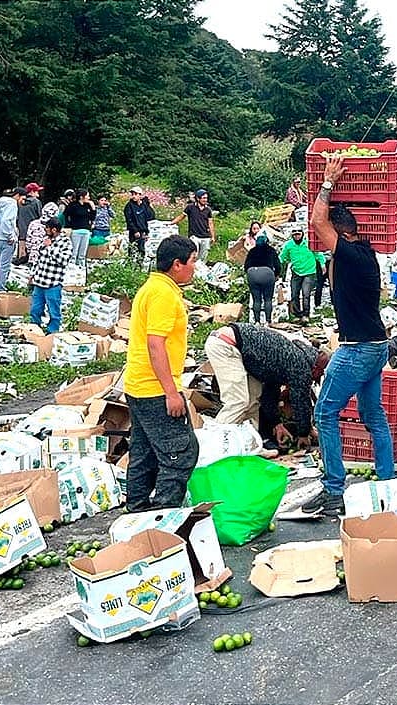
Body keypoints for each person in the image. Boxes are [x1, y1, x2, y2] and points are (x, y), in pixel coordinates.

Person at [305, 156, 393, 515]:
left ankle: (333, 489)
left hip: (358, 349)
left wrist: (326, 183)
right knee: (374, 417)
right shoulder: (365, 252)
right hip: (379, 345)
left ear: (340, 234)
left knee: (325, 412)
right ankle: (387, 486)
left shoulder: (351, 255)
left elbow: (317, 220)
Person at [124, 235, 199, 512]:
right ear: (177, 264)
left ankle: (137, 511)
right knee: (181, 454)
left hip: (139, 385)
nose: (195, 267)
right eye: (192, 261)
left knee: (144, 453)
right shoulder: (163, 294)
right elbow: (155, 344)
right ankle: (163, 519)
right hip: (155, 389)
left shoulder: (153, 287)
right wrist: (171, 392)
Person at [204, 324, 329, 454]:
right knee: (238, 401)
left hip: (241, 350)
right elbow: (300, 401)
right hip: (226, 345)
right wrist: (303, 433)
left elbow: (269, 394)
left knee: (253, 400)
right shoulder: (301, 366)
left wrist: (277, 424)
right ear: (316, 369)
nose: (313, 381)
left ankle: (252, 446)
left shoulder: (292, 360)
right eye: (318, 376)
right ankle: (215, 446)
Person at [28, 216, 71, 333]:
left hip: (53, 283)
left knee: (54, 312)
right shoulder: (46, 239)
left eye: (47, 229)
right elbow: (39, 259)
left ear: (54, 230)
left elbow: (63, 261)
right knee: (35, 310)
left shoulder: (65, 242)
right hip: (39, 281)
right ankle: (34, 331)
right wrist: (32, 274)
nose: (45, 232)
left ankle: (52, 333)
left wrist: (50, 248)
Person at [279, 226, 324, 323]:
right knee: (294, 293)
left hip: (309, 272)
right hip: (296, 272)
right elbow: (283, 257)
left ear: (302, 234)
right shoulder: (288, 245)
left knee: (306, 294)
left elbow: (318, 254)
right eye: (294, 234)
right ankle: (297, 314)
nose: (297, 236)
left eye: (298, 234)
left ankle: (306, 315)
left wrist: (323, 264)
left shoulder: (308, 243)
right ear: (292, 235)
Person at [244, 226, 281, 325]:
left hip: (252, 273)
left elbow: (246, 266)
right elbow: (277, 265)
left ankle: (257, 322)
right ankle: (268, 321)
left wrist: (250, 273)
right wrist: (276, 275)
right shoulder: (271, 250)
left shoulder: (252, 251)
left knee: (256, 299)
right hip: (267, 273)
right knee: (268, 299)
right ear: (266, 241)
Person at [0, 187, 27, 291]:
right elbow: (6, 221)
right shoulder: (12, 204)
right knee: (4, 266)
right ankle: (0, 289)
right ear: (17, 195)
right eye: (23, 198)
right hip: (6, 239)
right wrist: (10, 235)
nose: (23, 201)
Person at [170, 188, 214, 262]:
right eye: (203, 198)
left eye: (206, 198)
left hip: (205, 236)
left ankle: (199, 271)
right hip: (194, 235)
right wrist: (171, 223)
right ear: (198, 198)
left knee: (203, 257)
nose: (205, 200)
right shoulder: (190, 207)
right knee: (194, 254)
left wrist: (212, 236)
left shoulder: (208, 210)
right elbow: (182, 216)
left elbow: (210, 223)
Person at [64, 189, 95, 267]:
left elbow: (92, 217)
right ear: (81, 197)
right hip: (76, 231)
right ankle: (71, 266)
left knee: (82, 253)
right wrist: (69, 226)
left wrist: (93, 208)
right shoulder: (73, 205)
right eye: (87, 196)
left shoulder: (88, 206)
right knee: (74, 251)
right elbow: (65, 215)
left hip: (86, 231)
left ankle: (81, 267)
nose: (89, 197)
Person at [124, 186, 156, 259]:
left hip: (143, 231)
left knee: (142, 251)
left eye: (135, 194)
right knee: (132, 250)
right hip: (134, 232)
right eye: (132, 194)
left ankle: (140, 266)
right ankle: (131, 265)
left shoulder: (144, 205)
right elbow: (129, 220)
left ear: (140, 195)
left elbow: (150, 217)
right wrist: (135, 231)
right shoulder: (129, 206)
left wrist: (147, 232)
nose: (133, 196)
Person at [26, 202, 60, 267]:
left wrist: (30, 251)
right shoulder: (51, 227)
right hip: (44, 259)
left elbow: (28, 240)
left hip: (32, 256)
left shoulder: (33, 223)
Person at [16, 182, 43, 264]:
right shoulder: (36, 202)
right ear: (31, 192)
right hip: (34, 235)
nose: (38, 194)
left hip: (21, 233)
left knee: (20, 260)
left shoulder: (19, 202)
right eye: (37, 192)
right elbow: (41, 216)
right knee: (32, 260)